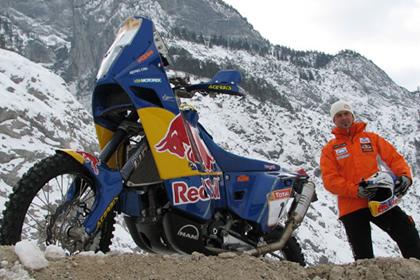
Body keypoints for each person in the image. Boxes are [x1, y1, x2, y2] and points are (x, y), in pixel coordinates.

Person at [320, 100, 420, 260]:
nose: (343, 118)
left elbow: (394, 158)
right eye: (339, 115)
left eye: (346, 114)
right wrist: (355, 190)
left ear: (352, 116)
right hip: (351, 207)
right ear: (334, 120)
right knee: (363, 258)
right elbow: (329, 179)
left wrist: (405, 176)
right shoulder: (330, 149)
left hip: (380, 199)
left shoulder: (371, 139)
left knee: (408, 233)